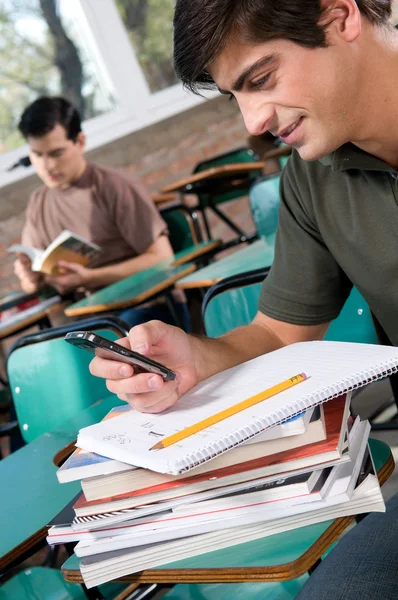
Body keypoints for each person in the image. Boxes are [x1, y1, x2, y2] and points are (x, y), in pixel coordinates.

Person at [89, 0, 398, 597]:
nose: (254, 121)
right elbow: (279, 335)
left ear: (340, 15)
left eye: (261, 79)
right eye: (237, 96)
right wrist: (191, 359)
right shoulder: (313, 178)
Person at [14, 96, 190, 329]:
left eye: (56, 153)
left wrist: (89, 278)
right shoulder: (38, 202)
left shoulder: (114, 186)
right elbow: (33, 276)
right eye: (37, 155)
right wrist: (28, 278)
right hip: (90, 319)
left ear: (80, 142)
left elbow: (162, 258)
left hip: (146, 307)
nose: (48, 166)